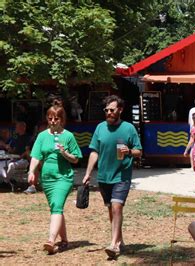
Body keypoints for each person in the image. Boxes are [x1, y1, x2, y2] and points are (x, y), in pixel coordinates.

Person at [82, 95, 142, 259]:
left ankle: (114, 245)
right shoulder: (100, 128)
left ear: (120, 110)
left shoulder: (128, 128)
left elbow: (139, 151)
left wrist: (129, 151)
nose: (108, 112)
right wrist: (88, 173)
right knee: (111, 209)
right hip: (104, 177)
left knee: (117, 207)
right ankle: (120, 240)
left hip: (122, 176)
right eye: (106, 110)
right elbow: (94, 151)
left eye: (112, 110)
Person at [27, 101, 82, 254]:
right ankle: (64, 241)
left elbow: (76, 159)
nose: (53, 121)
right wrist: (32, 171)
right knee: (56, 208)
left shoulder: (68, 136)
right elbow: (36, 156)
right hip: (47, 179)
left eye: (56, 119)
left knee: (56, 206)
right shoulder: (42, 136)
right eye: (50, 118)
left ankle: (51, 240)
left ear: (61, 120)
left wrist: (64, 153)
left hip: (63, 178)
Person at [0, 121, 32, 186]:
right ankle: (7, 180)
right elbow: (11, 149)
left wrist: (20, 156)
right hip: (13, 158)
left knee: (11, 165)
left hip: (23, 160)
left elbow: (28, 151)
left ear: (23, 128)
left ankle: (6, 181)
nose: (15, 128)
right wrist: (9, 149)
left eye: (17, 127)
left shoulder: (28, 138)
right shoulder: (15, 137)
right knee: (0, 164)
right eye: (16, 127)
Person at [24, 121, 49, 194]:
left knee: (36, 164)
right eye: (41, 128)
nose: (43, 129)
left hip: (47, 160)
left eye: (44, 127)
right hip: (37, 159)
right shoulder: (35, 138)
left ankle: (33, 186)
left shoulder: (51, 137)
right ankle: (32, 186)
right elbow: (27, 148)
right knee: (35, 164)